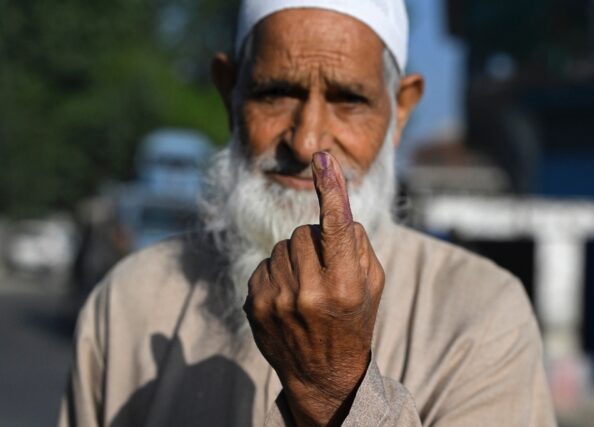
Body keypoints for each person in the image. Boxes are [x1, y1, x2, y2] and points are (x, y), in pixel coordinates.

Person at [59, 0, 557, 425]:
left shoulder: (481, 316)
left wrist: (334, 390)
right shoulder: (128, 304)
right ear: (230, 94)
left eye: (348, 100)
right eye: (275, 93)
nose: (306, 140)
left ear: (399, 111)